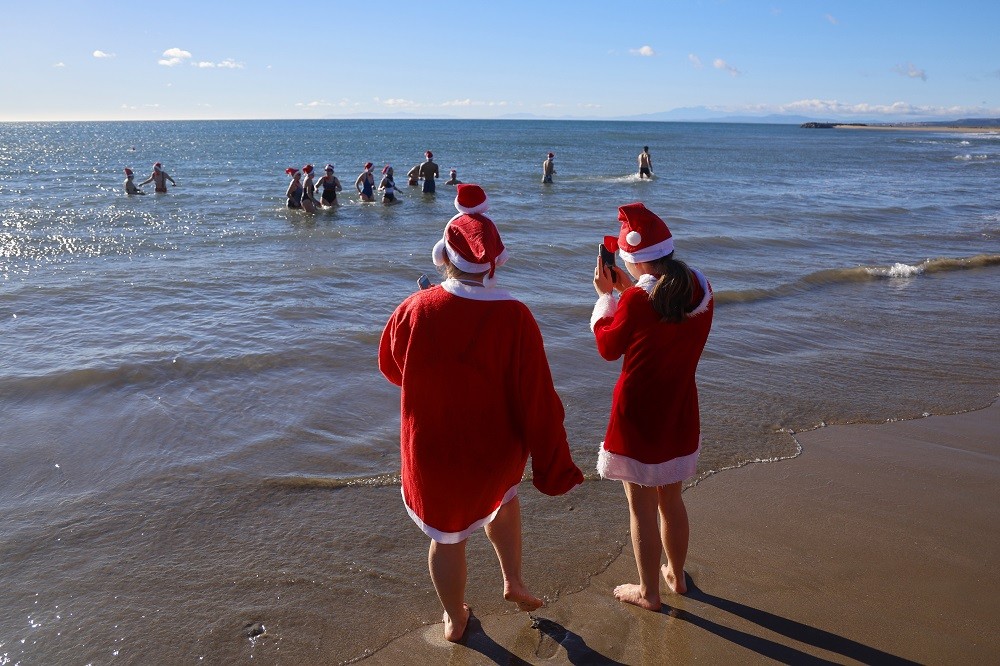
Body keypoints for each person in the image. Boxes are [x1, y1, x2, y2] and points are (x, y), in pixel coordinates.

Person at [378, 184, 584, 642]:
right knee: (504, 501)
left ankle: (455, 617)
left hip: (435, 450)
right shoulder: (516, 316)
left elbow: (392, 367)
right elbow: (538, 395)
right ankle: (513, 580)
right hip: (497, 448)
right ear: (496, 263)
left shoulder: (416, 307)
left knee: (447, 537)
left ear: (444, 257)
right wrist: (554, 462)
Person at [590, 202, 714, 612]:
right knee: (671, 500)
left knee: (640, 506)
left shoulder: (637, 301)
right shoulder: (700, 288)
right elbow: (658, 315)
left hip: (638, 416)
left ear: (630, 260)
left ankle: (648, 594)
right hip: (680, 408)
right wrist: (628, 290)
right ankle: (676, 576)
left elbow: (608, 346)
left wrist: (608, 297)